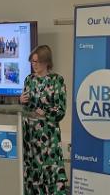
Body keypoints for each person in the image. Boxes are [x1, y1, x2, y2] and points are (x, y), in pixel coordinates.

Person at [20, 45, 67, 195]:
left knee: (50, 169)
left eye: (37, 62)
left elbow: (61, 111)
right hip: (30, 135)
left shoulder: (56, 80)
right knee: (32, 169)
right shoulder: (29, 80)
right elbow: (27, 106)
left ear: (46, 62)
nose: (34, 65)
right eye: (32, 62)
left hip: (48, 136)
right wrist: (21, 100)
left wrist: (45, 112)